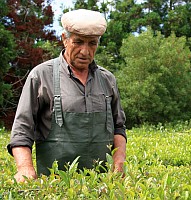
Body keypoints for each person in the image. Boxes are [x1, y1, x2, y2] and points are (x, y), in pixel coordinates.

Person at [7, 9, 126, 182]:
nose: (85, 51)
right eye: (78, 42)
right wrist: (24, 168)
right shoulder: (41, 75)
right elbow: (21, 130)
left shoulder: (108, 80)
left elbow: (118, 127)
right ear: (64, 39)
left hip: (102, 186)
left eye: (92, 43)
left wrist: (119, 160)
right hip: (54, 185)